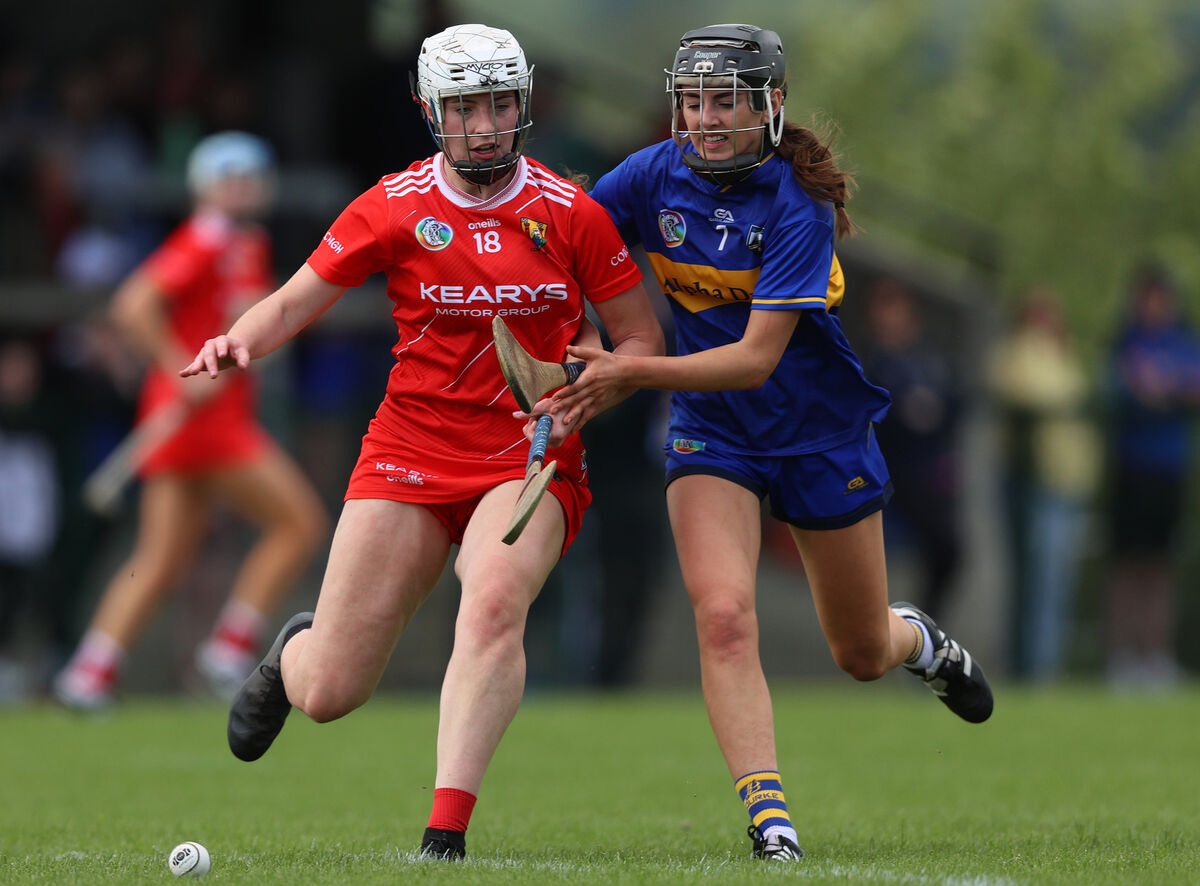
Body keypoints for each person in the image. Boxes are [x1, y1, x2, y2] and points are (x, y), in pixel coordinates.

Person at [181, 24, 662, 860]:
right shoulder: (395, 204)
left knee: (495, 598)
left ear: (524, 104)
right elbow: (294, 300)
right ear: (431, 110)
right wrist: (239, 340)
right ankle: (292, 655)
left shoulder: (569, 213)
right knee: (331, 692)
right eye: (466, 107)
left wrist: (598, 385)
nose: (485, 124)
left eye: (500, 104)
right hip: (409, 450)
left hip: (529, 454)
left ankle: (444, 835)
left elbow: (639, 340)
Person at [549, 23, 994, 861]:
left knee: (860, 651)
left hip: (818, 433)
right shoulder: (651, 176)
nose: (707, 118)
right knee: (722, 617)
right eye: (693, 100)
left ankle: (921, 642)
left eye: (726, 100)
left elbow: (755, 361)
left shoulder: (800, 202)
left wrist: (630, 374)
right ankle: (772, 823)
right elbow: (568, 243)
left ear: (771, 104)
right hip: (712, 433)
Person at [52, 132, 329, 709]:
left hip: (197, 420)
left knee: (161, 558)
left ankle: (89, 673)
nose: (243, 189)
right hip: (206, 423)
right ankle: (228, 651)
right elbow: (133, 304)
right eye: (231, 179)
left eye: (250, 178)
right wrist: (177, 360)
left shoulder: (243, 242)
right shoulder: (208, 237)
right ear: (206, 188)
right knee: (299, 523)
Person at [989, 287, 1099, 681]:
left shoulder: (1064, 355)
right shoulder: (1019, 352)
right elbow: (1031, 394)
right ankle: (1036, 669)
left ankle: (1041, 664)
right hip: (1035, 484)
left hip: (1066, 484)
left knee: (1055, 583)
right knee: (1039, 584)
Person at [1102, 267, 1200, 689]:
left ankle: (1156, 654)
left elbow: (1186, 387)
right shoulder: (1125, 342)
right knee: (1127, 562)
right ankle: (1122, 656)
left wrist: (1164, 387)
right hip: (1132, 468)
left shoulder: (1182, 341)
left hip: (1169, 469)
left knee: (1161, 563)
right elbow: (1125, 390)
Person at [861, 278, 964, 620]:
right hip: (892, 475)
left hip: (931, 473)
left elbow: (952, 402)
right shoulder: (872, 362)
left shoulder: (927, 358)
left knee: (949, 551)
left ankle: (922, 626)